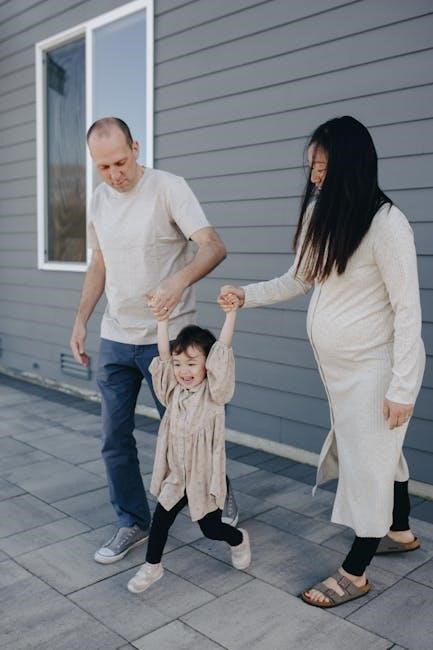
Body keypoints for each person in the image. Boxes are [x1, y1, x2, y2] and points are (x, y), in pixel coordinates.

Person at [218, 116, 425, 608]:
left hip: (376, 368)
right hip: (340, 371)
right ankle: (399, 530)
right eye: (312, 165)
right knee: (382, 451)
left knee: (369, 464)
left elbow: (408, 312)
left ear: (352, 166)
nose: (314, 175)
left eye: (324, 166)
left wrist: (402, 388)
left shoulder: (388, 225)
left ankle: (356, 571)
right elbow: (299, 278)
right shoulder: (321, 214)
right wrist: (245, 295)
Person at [70, 117, 238, 565]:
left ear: (136, 148)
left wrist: (177, 282)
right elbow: (99, 264)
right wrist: (81, 319)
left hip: (170, 343)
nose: (114, 174)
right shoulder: (98, 201)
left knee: (192, 430)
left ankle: (218, 495)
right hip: (116, 337)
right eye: (103, 167)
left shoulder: (168, 188)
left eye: (120, 162)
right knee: (113, 436)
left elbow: (213, 245)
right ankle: (133, 521)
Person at [127, 296, 251, 593]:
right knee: (160, 521)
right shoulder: (174, 392)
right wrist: (161, 322)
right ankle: (152, 566)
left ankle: (238, 539)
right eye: (179, 364)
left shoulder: (214, 393)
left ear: (208, 365)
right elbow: (163, 356)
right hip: (176, 474)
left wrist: (231, 315)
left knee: (211, 529)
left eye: (192, 363)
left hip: (202, 475)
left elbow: (223, 350)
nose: (184, 370)